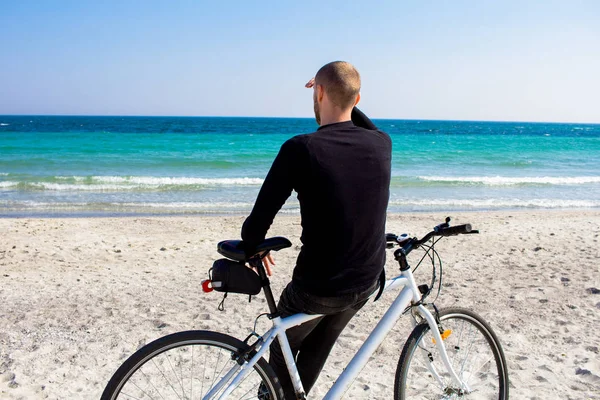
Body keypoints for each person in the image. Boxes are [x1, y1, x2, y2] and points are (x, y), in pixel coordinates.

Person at [241, 61, 392, 399]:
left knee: (282, 346)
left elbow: (257, 223)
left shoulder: (300, 148)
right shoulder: (382, 144)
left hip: (318, 288)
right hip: (366, 282)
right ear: (357, 100)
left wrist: (254, 248)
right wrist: (346, 94)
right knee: (319, 343)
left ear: (318, 92)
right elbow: (364, 122)